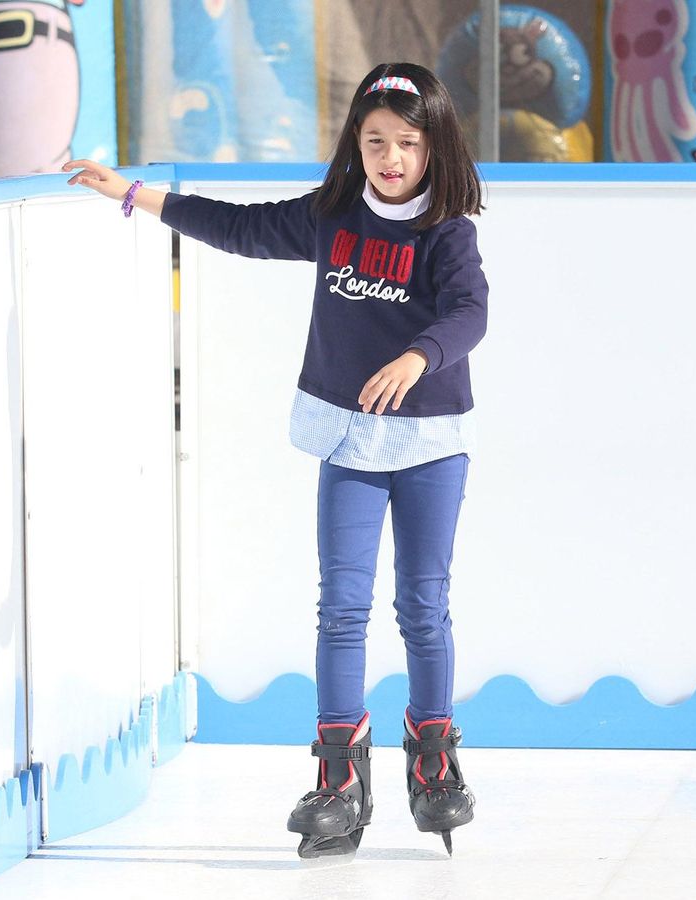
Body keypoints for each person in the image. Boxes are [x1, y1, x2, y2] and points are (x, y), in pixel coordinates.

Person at [64, 62, 486, 859]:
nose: (391, 159)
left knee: (424, 608)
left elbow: (471, 311)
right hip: (350, 441)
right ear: (355, 145)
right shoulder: (333, 218)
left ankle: (432, 761)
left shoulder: (447, 233)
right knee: (341, 608)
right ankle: (339, 777)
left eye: (406, 143)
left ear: (434, 148)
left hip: (430, 445)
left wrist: (419, 357)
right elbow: (240, 228)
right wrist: (131, 192)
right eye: (375, 142)